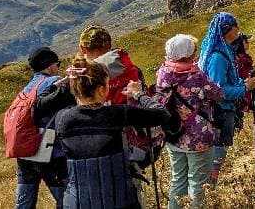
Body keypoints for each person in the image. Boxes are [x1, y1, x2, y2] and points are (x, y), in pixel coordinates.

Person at [55, 55, 170, 209]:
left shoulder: (62, 118)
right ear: (102, 89)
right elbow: (162, 114)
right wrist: (138, 94)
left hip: (77, 201)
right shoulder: (117, 114)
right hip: (118, 199)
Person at [155, 34, 223, 209]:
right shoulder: (196, 76)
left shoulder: (163, 73)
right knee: (197, 182)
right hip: (198, 138)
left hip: (173, 134)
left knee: (178, 179)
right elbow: (218, 93)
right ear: (188, 54)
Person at [77, 25, 153, 170]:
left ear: (83, 49)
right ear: (110, 46)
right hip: (132, 144)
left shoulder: (83, 78)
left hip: (96, 145)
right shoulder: (132, 70)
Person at [199, 12, 255, 187]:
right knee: (219, 150)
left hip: (220, 110)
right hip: (222, 111)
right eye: (235, 26)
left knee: (217, 150)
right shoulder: (219, 56)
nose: (238, 29)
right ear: (228, 30)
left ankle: (208, 186)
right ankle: (209, 186)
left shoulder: (222, 50)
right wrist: (245, 88)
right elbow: (219, 89)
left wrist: (242, 83)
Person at [15, 47, 67, 209]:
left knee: (24, 203)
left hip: (24, 150)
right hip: (49, 151)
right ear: (51, 66)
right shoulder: (55, 82)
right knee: (67, 201)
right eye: (57, 64)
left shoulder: (27, 88)